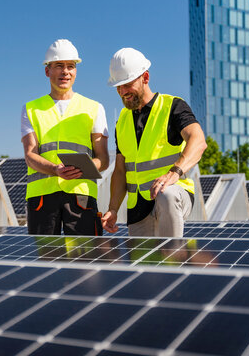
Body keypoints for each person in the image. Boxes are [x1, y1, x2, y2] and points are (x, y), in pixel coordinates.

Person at [101, 48, 207, 237]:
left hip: (173, 195)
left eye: (127, 84)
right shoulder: (122, 122)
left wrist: (174, 173)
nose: (123, 92)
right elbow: (119, 171)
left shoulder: (173, 107)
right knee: (143, 264)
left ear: (145, 77)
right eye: (118, 86)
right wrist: (113, 209)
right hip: (137, 208)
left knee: (166, 195)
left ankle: (174, 260)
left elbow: (198, 141)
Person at [21, 39, 109, 236]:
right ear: (47, 71)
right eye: (59, 66)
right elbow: (30, 154)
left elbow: (103, 159)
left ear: (76, 72)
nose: (65, 71)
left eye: (71, 66)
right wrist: (54, 169)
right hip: (42, 197)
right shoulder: (31, 109)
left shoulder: (94, 108)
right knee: (44, 263)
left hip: (81, 195)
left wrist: (80, 169)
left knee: (86, 261)